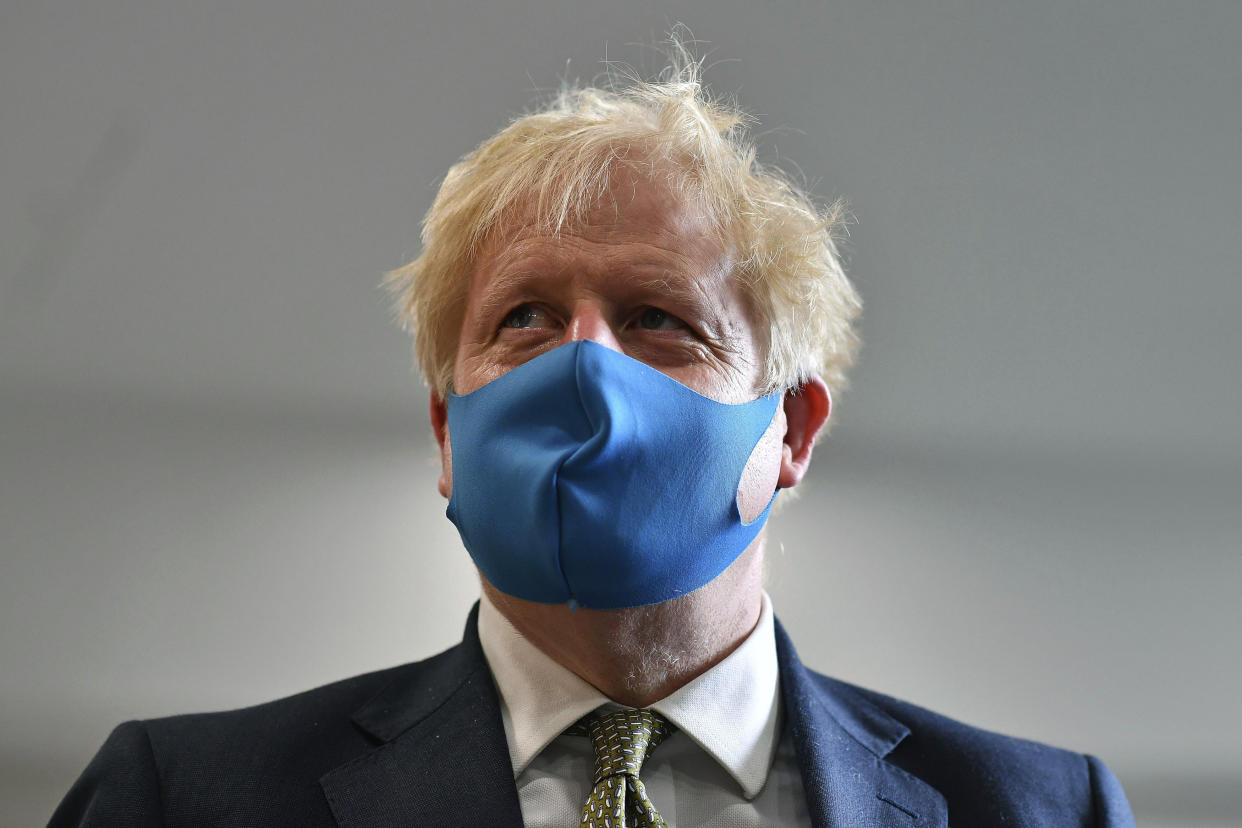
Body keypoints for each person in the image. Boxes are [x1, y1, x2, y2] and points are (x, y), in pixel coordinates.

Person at [51, 54, 1136, 827]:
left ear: (792, 428)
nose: (584, 366)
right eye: (523, 319)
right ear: (446, 429)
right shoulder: (183, 797)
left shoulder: (1039, 811)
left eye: (657, 319)